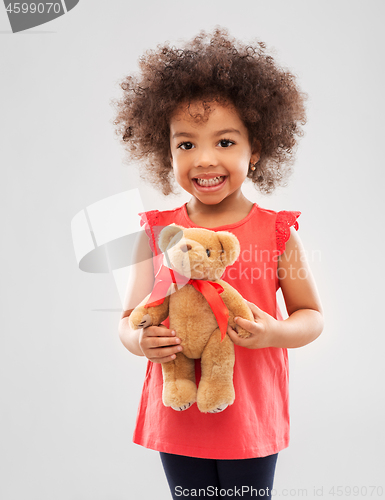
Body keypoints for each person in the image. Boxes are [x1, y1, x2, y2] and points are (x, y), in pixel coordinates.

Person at [113, 28, 323, 499]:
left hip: (248, 412)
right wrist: (139, 340)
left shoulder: (277, 231)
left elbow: (312, 316)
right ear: (166, 152)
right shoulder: (155, 232)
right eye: (186, 144)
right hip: (178, 407)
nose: (205, 159)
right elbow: (128, 320)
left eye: (225, 142)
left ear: (258, 147)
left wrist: (275, 333)